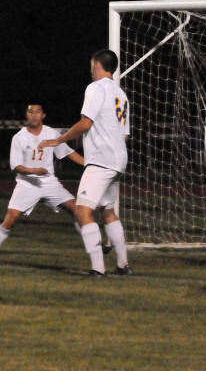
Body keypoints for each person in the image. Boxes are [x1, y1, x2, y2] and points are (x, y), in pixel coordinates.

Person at [39, 49, 132, 277]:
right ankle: (123, 265)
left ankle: (98, 268)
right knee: (108, 211)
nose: (91, 69)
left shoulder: (95, 88)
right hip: (118, 158)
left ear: (98, 65)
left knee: (82, 212)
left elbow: (85, 123)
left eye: (92, 65)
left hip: (102, 159)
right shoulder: (121, 94)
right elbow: (125, 134)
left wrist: (59, 140)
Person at [0, 104, 85, 257]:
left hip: (49, 183)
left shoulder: (51, 133)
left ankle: (94, 244)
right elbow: (16, 166)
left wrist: (88, 164)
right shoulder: (19, 137)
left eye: (37, 112)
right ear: (27, 115)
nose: (34, 115)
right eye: (30, 112)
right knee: (11, 218)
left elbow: (68, 152)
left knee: (76, 209)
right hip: (27, 184)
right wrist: (34, 171)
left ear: (43, 115)